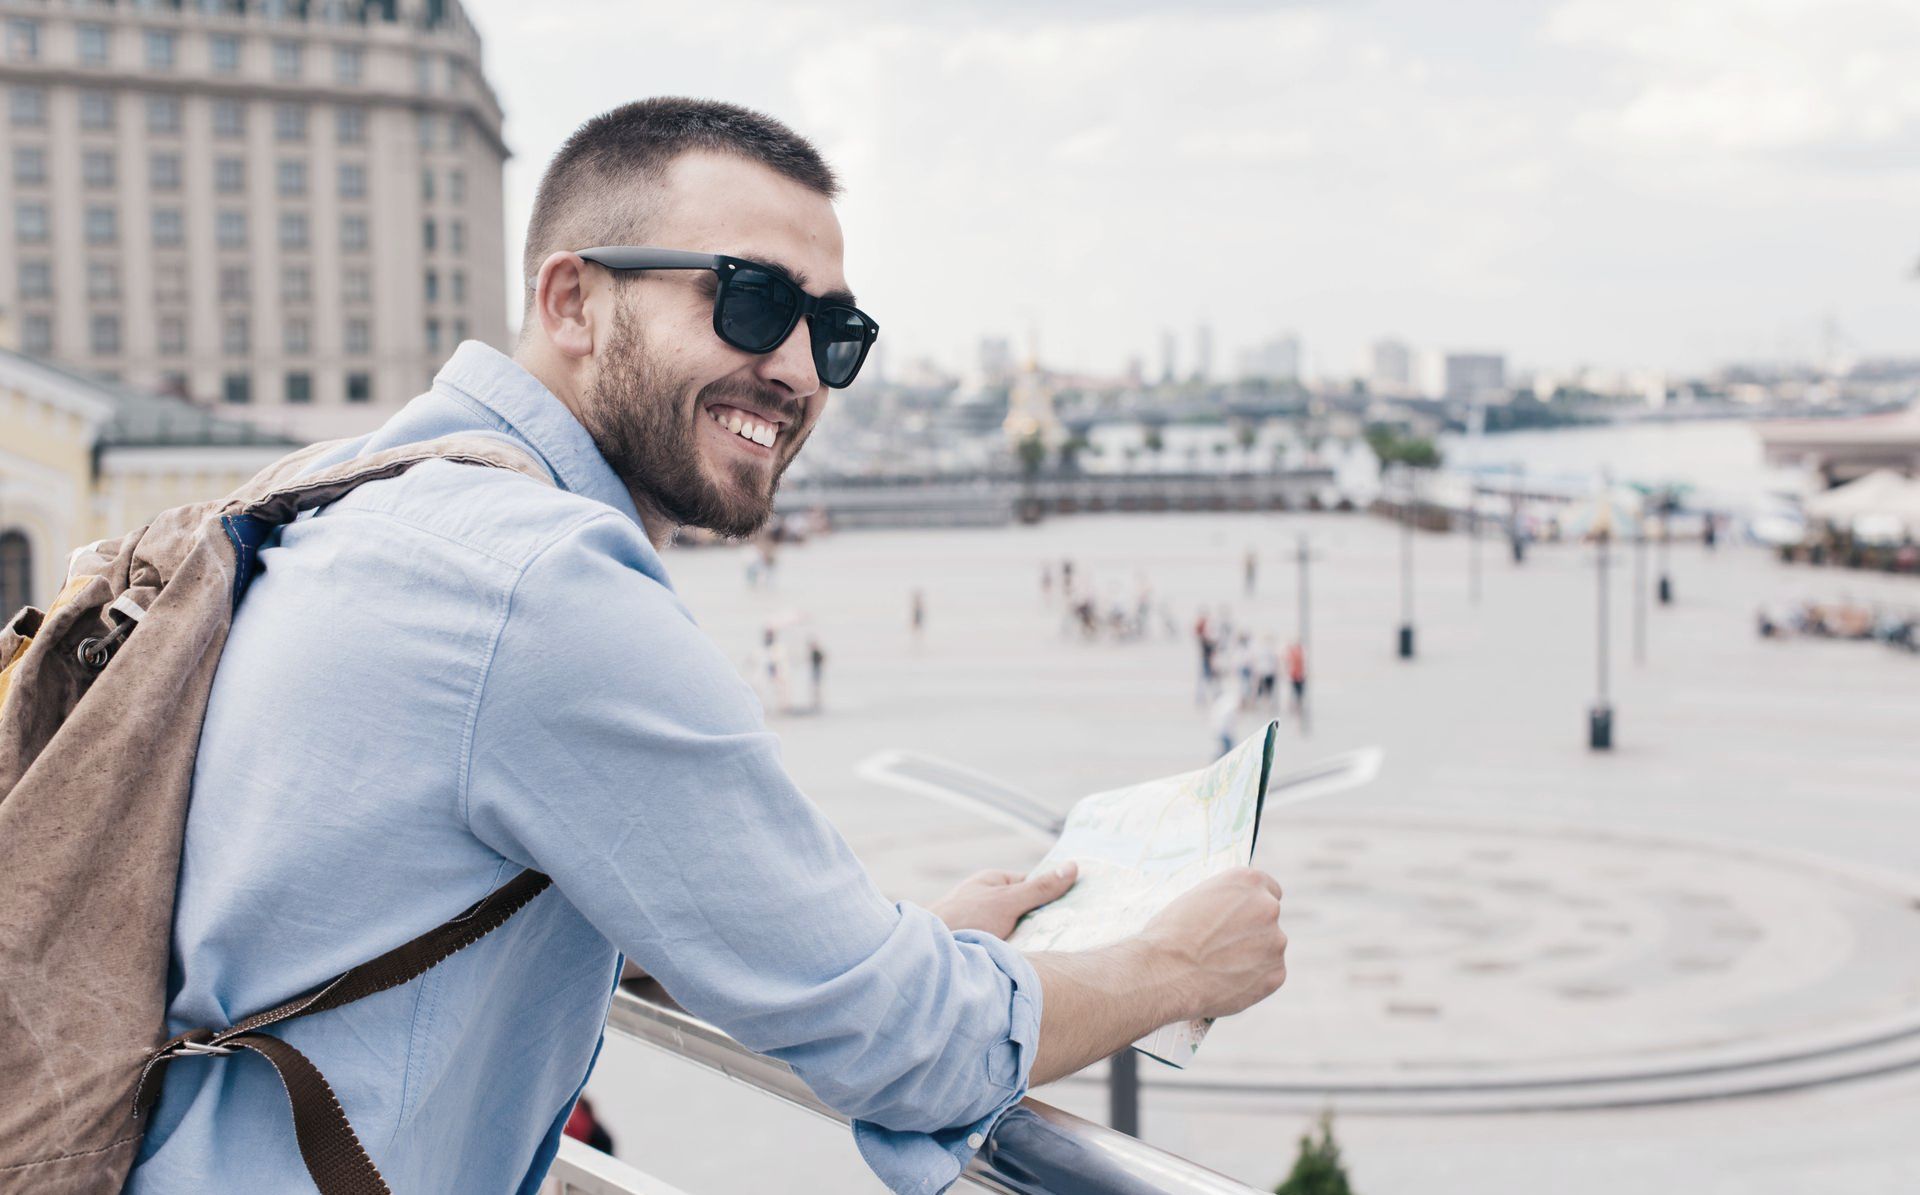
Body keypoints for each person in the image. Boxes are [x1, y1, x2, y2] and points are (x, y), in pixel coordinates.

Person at [124, 99, 1290, 1195]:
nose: (791, 366)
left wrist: (885, 946)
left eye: (834, 331)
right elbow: (908, 1043)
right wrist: (1177, 966)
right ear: (572, 300)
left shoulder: (357, 488)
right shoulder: (537, 585)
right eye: (745, 300)